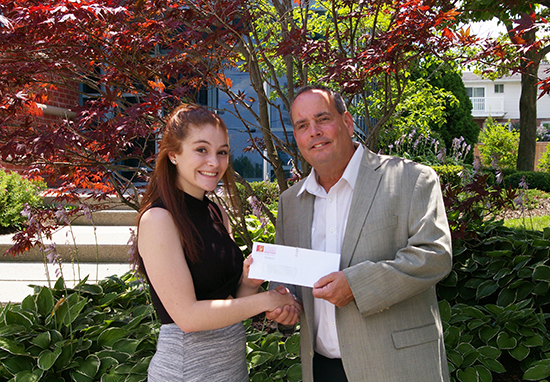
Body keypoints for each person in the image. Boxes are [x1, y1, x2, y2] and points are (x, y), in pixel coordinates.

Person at [268, 85, 453, 382]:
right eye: (302, 125)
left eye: (323, 118)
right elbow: (288, 279)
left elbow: (434, 255)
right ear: (297, 137)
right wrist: (285, 303)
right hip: (321, 370)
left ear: (348, 122)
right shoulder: (290, 203)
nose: (313, 131)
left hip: (397, 368)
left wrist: (356, 285)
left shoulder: (411, 179)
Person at [131, 104, 301, 382]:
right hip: (187, 372)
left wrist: (249, 284)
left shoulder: (216, 212)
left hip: (231, 369)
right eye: (201, 150)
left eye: (222, 152)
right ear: (173, 154)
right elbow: (188, 317)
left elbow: (228, 304)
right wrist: (267, 299)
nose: (214, 162)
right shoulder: (159, 219)